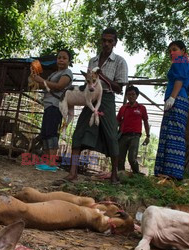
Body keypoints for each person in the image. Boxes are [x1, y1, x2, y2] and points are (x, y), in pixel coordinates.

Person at [63, 27, 128, 184]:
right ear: (101, 41)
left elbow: (119, 88)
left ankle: (114, 175)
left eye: (110, 41)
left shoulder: (120, 61)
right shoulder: (93, 60)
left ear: (115, 43)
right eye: (104, 40)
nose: (106, 43)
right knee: (79, 132)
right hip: (90, 97)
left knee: (112, 135)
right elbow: (89, 81)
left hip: (106, 98)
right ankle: (73, 173)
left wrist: (103, 77)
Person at [154, 40, 189, 180]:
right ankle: (173, 172)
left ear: (183, 51)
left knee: (171, 134)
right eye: (170, 51)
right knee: (176, 134)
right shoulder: (187, 65)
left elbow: (179, 80)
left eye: (175, 49)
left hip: (176, 101)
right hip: (183, 103)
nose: (172, 53)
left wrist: (172, 97)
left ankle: (168, 173)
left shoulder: (179, 60)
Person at [31, 49, 73, 171]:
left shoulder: (67, 72)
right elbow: (43, 85)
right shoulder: (53, 74)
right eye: (59, 57)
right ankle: (47, 161)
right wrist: (34, 78)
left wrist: (42, 81)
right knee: (46, 133)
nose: (61, 60)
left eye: (64, 58)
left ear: (68, 61)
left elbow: (59, 86)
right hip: (49, 105)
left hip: (56, 105)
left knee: (51, 133)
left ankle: (52, 163)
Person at [117, 86, 150, 174]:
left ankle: (136, 174)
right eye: (129, 94)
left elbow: (146, 122)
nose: (131, 96)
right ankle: (121, 176)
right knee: (120, 158)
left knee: (132, 157)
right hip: (123, 135)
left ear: (136, 96)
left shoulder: (141, 108)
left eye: (133, 94)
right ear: (126, 96)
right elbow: (117, 121)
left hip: (135, 136)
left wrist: (148, 136)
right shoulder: (123, 108)